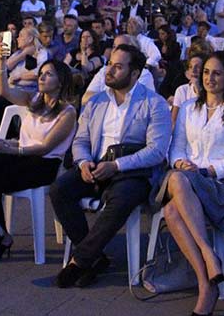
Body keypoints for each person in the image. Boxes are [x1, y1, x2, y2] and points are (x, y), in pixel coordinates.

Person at [50, 44, 171, 288]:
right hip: (95, 166)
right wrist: (83, 163)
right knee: (59, 190)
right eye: (109, 65)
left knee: (122, 197)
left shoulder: (153, 103)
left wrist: (116, 166)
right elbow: (81, 140)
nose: (109, 71)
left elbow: (156, 151)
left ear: (134, 73)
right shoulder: (95, 102)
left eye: (118, 66)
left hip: (131, 171)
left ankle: (80, 261)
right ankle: (95, 258)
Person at [164, 52, 224, 316]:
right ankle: (207, 278)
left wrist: (205, 170)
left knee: (172, 207)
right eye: (205, 72)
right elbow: (176, 145)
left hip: (220, 184)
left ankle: (205, 260)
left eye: (216, 73)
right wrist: (180, 161)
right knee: (176, 181)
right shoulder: (190, 108)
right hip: (188, 178)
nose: (209, 78)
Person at [0, 58, 77, 262]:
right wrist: (3, 65)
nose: (42, 77)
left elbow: (45, 147)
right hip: (24, 160)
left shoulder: (67, 112)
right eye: (41, 73)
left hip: (46, 165)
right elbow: (5, 92)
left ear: (61, 81)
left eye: (49, 74)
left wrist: (13, 149)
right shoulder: (35, 100)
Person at [81, 35, 156, 104]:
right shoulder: (104, 70)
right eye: (114, 46)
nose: (115, 51)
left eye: (121, 47)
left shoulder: (143, 74)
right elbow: (85, 99)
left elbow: (135, 102)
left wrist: (100, 97)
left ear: (133, 51)